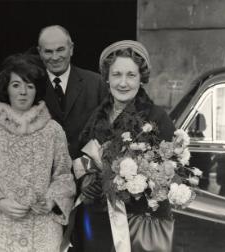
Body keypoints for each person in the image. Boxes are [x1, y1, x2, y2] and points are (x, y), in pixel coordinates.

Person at [0, 54, 76, 252]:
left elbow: (64, 176)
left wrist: (51, 200)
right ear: (6, 87)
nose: (23, 92)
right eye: (16, 85)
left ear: (37, 90)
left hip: (42, 230)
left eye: (30, 86)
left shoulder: (53, 130)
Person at [72, 40, 176, 252]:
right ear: (107, 78)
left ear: (141, 78)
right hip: (97, 223)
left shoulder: (157, 118)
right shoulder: (94, 116)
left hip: (137, 225)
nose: (123, 83)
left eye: (131, 75)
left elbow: (167, 176)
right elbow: (80, 158)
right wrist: (86, 181)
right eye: (117, 74)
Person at [37, 25, 108, 160]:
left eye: (60, 50)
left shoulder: (96, 83)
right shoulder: (31, 86)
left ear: (71, 49)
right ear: (39, 52)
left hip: (89, 175)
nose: (55, 57)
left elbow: (107, 134)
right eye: (48, 51)